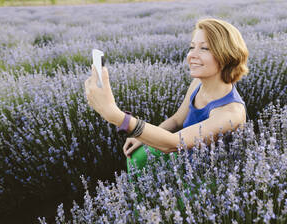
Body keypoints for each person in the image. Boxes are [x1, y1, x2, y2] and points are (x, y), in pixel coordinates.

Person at [84, 18, 249, 177]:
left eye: (204, 49)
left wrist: (117, 117)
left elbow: (174, 143)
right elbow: (177, 120)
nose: (192, 55)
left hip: (208, 178)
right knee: (138, 155)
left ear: (226, 56)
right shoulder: (198, 83)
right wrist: (143, 138)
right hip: (185, 157)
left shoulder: (230, 113)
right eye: (192, 47)